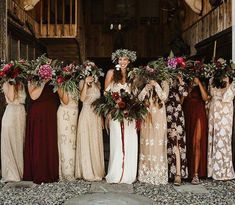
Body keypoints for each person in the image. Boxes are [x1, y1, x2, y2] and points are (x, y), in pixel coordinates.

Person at [105, 49, 138, 184]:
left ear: (129, 61)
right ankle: (116, 173)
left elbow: (136, 94)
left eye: (125, 59)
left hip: (129, 113)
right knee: (117, 141)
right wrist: (115, 103)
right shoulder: (111, 73)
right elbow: (106, 93)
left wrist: (131, 106)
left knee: (130, 141)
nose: (122, 62)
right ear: (116, 61)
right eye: (120, 59)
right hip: (115, 111)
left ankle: (129, 174)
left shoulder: (133, 75)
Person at [23, 80, 59, 184]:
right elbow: (33, 96)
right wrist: (43, 81)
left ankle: (51, 172)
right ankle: (39, 172)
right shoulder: (33, 77)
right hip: (38, 113)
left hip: (51, 111)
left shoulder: (55, 74)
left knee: (50, 142)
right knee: (39, 142)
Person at [75, 63, 105, 181]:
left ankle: (97, 170)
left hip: (96, 115)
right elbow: (82, 99)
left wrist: (102, 117)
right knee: (86, 140)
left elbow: (100, 101)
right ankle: (87, 171)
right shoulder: (82, 82)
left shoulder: (98, 83)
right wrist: (86, 84)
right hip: (86, 113)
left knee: (95, 141)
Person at [138, 79, 169, 185]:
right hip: (147, 117)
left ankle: (158, 174)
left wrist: (156, 85)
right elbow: (140, 98)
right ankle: (146, 173)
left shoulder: (165, 83)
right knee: (147, 145)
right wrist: (146, 88)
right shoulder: (145, 84)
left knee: (157, 146)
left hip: (159, 119)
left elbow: (164, 97)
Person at [208, 77, 235, 180]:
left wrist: (227, 82)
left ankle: (224, 171)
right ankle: (212, 170)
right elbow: (212, 94)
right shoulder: (212, 80)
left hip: (225, 113)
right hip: (214, 112)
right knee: (214, 139)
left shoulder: (232, 82)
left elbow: (227, 97)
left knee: (223, 139)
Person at [183, 77, 209, 184]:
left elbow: (205, 98)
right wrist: (187, 88)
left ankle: (196, 173)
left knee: (196, 142)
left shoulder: (202, 82)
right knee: (187, 142)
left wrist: (199, 84)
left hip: (198, 112)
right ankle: (188, 172)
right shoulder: (185, 81)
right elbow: (182, 99)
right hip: (187, 111)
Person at [1, 81, 26, 182]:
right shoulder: (6, 84)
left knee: (20, 144)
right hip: (10, 114)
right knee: (10, 144)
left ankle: (21, 172)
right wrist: (11, 82)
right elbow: (11, 98)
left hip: (20, 114)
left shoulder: (21, 83)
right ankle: (11, 174)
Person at [166, 76, 188, 185]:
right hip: (164, 114)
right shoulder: (163, 79)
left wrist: (180, 82)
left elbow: (183, 97)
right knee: (168, 143)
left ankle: (178, 174)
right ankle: (170, 172)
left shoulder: (180, 82)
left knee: (177, 143)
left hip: (177, 114)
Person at [57, 87, 78, 181]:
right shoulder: (60, 83)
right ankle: (66, 172)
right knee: (65, 144)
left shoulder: (75, 82)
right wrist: (65, 83)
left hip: (74, 113)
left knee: (73, 144)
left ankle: (73, 170)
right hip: (65, 113)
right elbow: (65, 101)